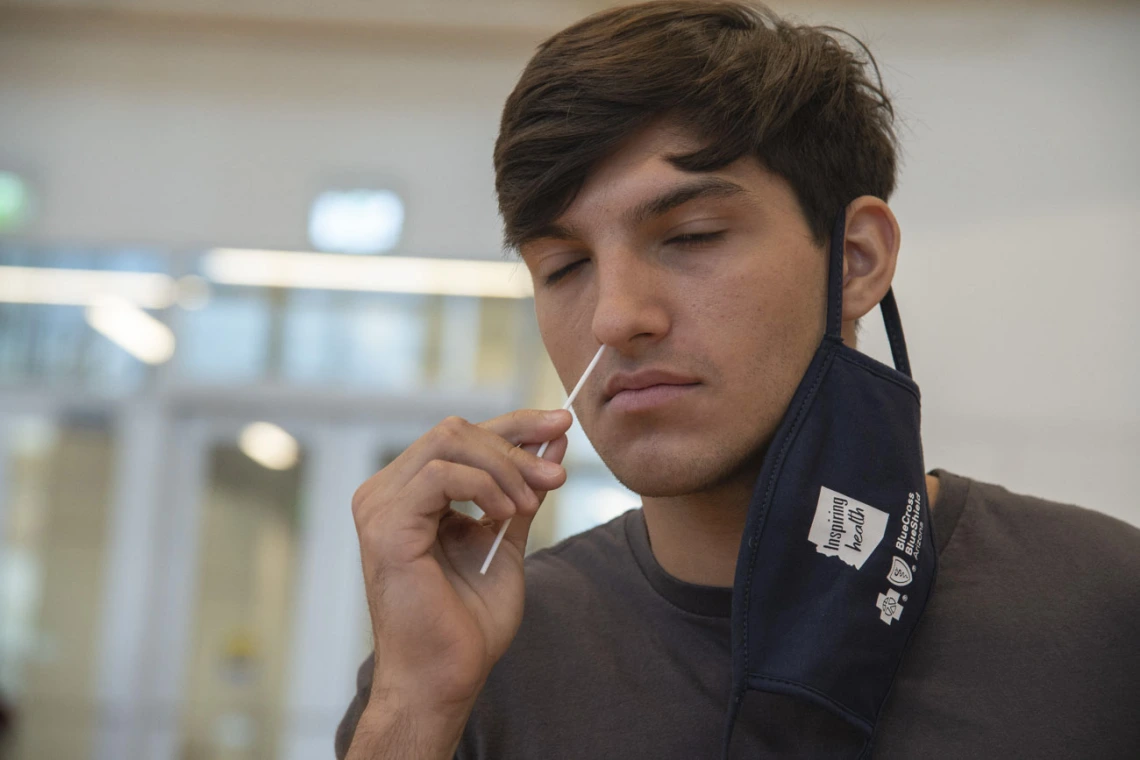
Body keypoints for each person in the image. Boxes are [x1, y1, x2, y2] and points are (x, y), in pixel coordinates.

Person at [336, 2, 1140, 758]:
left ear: (856, 261)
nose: (616, 318)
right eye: (566, 265)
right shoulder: (475, 664)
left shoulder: (1104, 609)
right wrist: (415, 705)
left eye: (690, 235)